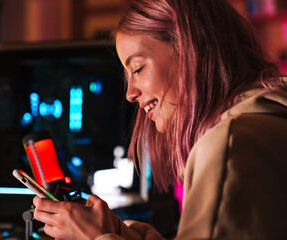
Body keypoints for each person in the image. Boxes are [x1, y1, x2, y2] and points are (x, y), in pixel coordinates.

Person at [32, 0, 287, 239]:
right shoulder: (260, 125)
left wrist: (96, 237)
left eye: (139, 69)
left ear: (190, 51)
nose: (130, 94)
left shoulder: (229, 145)